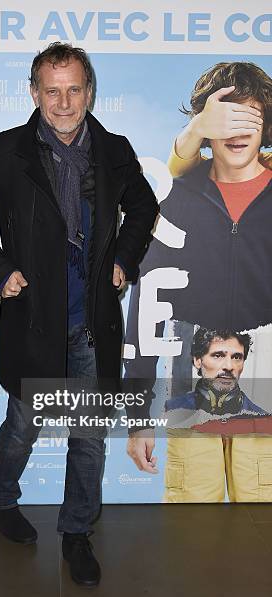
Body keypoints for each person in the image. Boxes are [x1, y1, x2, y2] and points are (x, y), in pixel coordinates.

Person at [0, 42, 158, 586]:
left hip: (93, 321)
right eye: (52, 90)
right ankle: (2, 502)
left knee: (87, 436)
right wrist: (0, 271)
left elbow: (144, 206)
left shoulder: (113, 149)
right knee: (23, 426)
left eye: (74, 89)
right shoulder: (5, 151)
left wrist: (122, 259)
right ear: (34, 92)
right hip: (35, 321)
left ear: (89, 91)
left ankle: (77, 534)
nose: (64, 102)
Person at [125, 61, 272, 475]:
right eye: (225, 119)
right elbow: (145, 308)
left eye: (250, 118)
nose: (238, 132)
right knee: (194, 533)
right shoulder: (175, 201)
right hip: (191, 399)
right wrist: (139, 419)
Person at [164, 328, 272, 502]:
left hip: (257, 428)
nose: (229, 366)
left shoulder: (262, 415)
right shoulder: (177, 410)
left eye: (236, 357)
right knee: (193, 512)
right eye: (218, 355)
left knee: (258, 506)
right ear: (198, 360)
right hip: (190, 426)